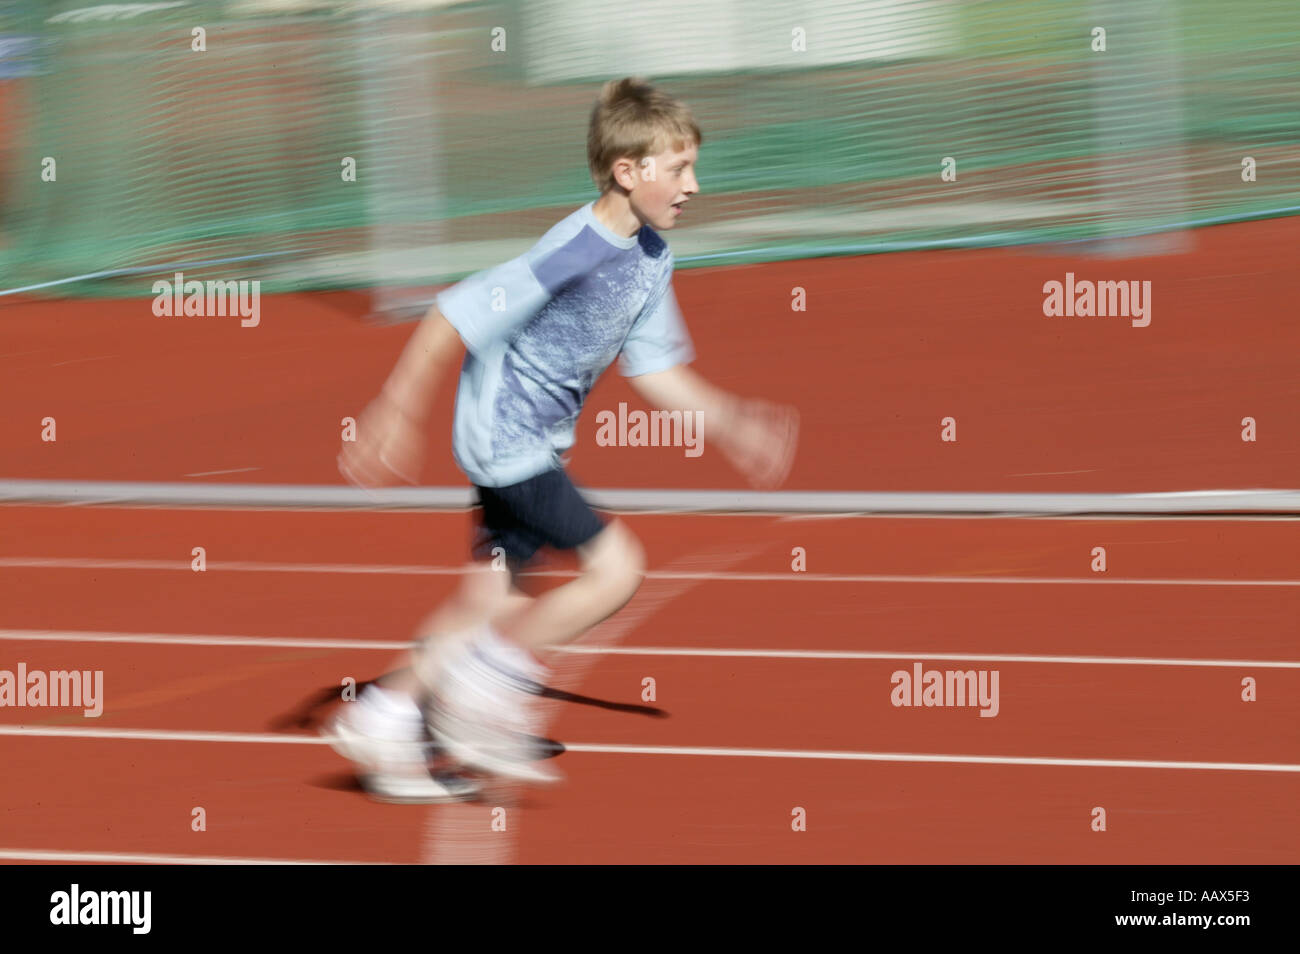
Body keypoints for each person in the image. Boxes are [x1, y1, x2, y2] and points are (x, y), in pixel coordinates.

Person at [326, 77, 798, 803]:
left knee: (490, 603)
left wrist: (731, 421)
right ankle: (488, 689)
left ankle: (384, 717)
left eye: (694, 167)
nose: (694, 185)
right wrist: (395, 407)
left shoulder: (649, 257)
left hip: (533, 444)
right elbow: (451, 315)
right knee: (618, 568)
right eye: (679, 169)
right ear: (627, 172)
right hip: (505, 440)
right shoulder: (573, 251)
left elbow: (660, 370)